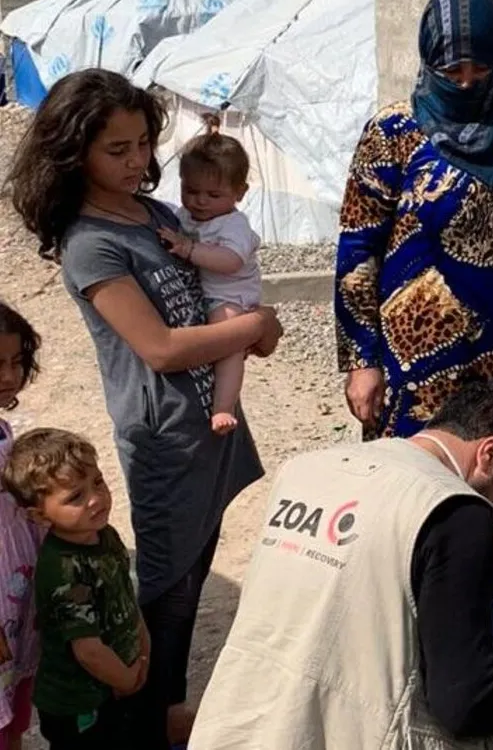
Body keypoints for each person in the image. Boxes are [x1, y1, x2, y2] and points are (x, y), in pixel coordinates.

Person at [7, 69, 283, 748]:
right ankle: (140, 724)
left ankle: (163, 715)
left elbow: (218, 292)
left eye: (142, 145)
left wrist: (250, 324)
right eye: (117, 150)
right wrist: (253, 327)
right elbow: (158, 348)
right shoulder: (90, 243)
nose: (136, 162)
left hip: (208, 426)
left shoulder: (158, 215)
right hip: (166, 439)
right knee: (166, 597)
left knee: (189, 589)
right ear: (75, 153)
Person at [334, 0, 493, 609]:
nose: (469, 82)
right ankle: (425, 634)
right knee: (419, 500)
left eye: (482, 66)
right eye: (452, 70)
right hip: (420, 372)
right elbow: (357, 253)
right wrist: (362, 360)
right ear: (429, 63)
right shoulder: (393, 132)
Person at [189, 380, 493, 749]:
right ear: (492, 453)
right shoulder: (457, 514)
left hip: (235, 726)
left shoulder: (306, 469)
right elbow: (468, 705)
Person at [3, 429, 152, 749]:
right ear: (39, 515)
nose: (95, 499)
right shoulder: (64, 570)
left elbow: (123, 594)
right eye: (75, 497)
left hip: (114, 682)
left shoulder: (105, 535)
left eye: (97, 482)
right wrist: (126, 679)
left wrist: (142, 645)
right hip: (78, 706)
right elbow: (88, 651)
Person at [156, 117, 262, 436]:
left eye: (213, 195)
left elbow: (230, 261)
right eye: (191, 191)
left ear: (240, 192)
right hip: (207, 291)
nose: (200, 201)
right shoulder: (187, 215)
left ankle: (223, 407)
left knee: (227, 342)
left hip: (232, 296)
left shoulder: (233, 225)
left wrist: (189, 249)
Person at [0, 303, 42, 750]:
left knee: (15, 696)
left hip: (16, 587)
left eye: (16, 363)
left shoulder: (4, 430)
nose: (9, 377)